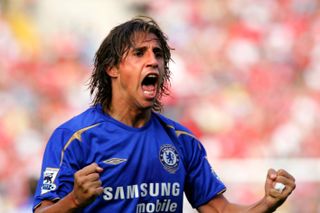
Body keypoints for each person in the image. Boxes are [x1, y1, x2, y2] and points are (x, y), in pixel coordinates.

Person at [33, 16, 296, 213]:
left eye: (158, 54)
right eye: (139, 53)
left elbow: (220, 210)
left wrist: (267, 203)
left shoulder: (181, 140)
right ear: (112, 68)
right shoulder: (73, 137)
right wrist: (75, 200)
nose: (153, 61)